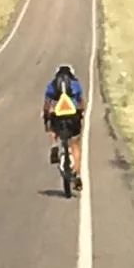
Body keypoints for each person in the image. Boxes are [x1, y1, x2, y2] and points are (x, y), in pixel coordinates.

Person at [43, 63, 85, 191]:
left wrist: (46, 118)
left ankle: (54, 145)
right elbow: (81, 103)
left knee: (51, 125)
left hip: (58, 116)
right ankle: (77, 174)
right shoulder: (75, 84)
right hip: (72, 117)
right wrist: (80, 113)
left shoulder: (52, 85)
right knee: (75, 144)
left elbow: (46, 104)